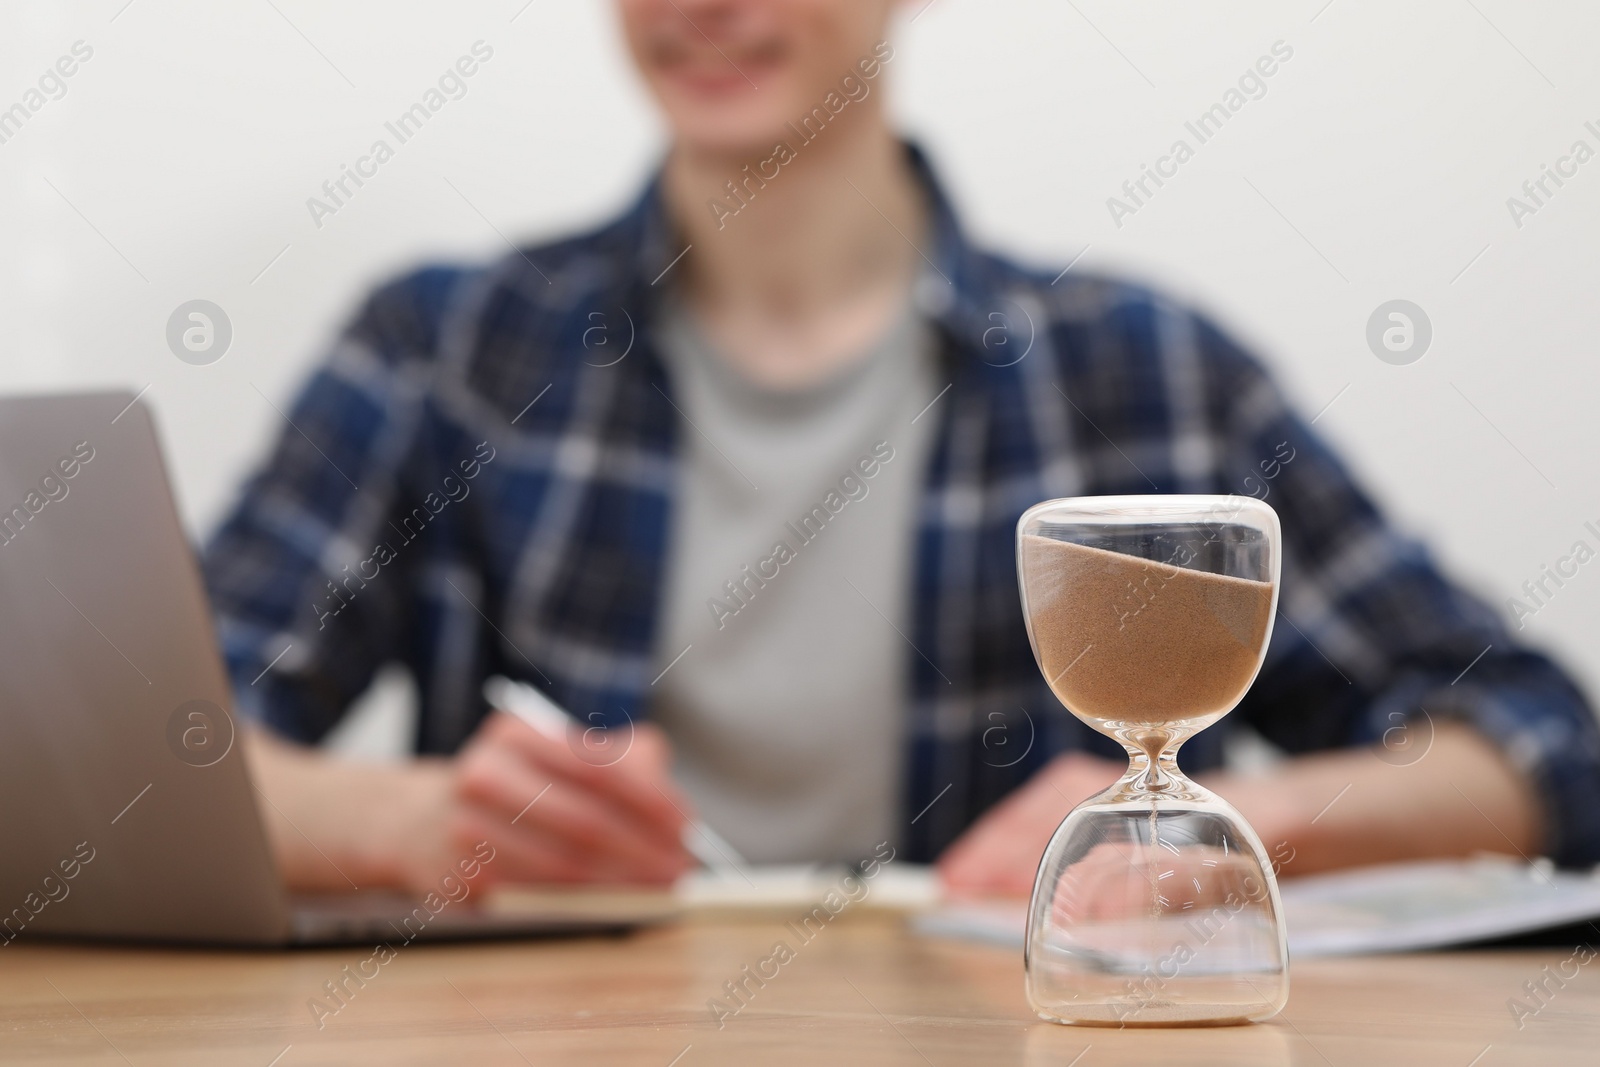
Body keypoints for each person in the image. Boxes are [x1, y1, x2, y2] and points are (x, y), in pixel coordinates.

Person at [204, 0, 1600, 898]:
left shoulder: (1148, 374)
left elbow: (1538, 749)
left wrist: (1197, 837)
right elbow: (152, 762)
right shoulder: (444, 350)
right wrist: (406, 825)